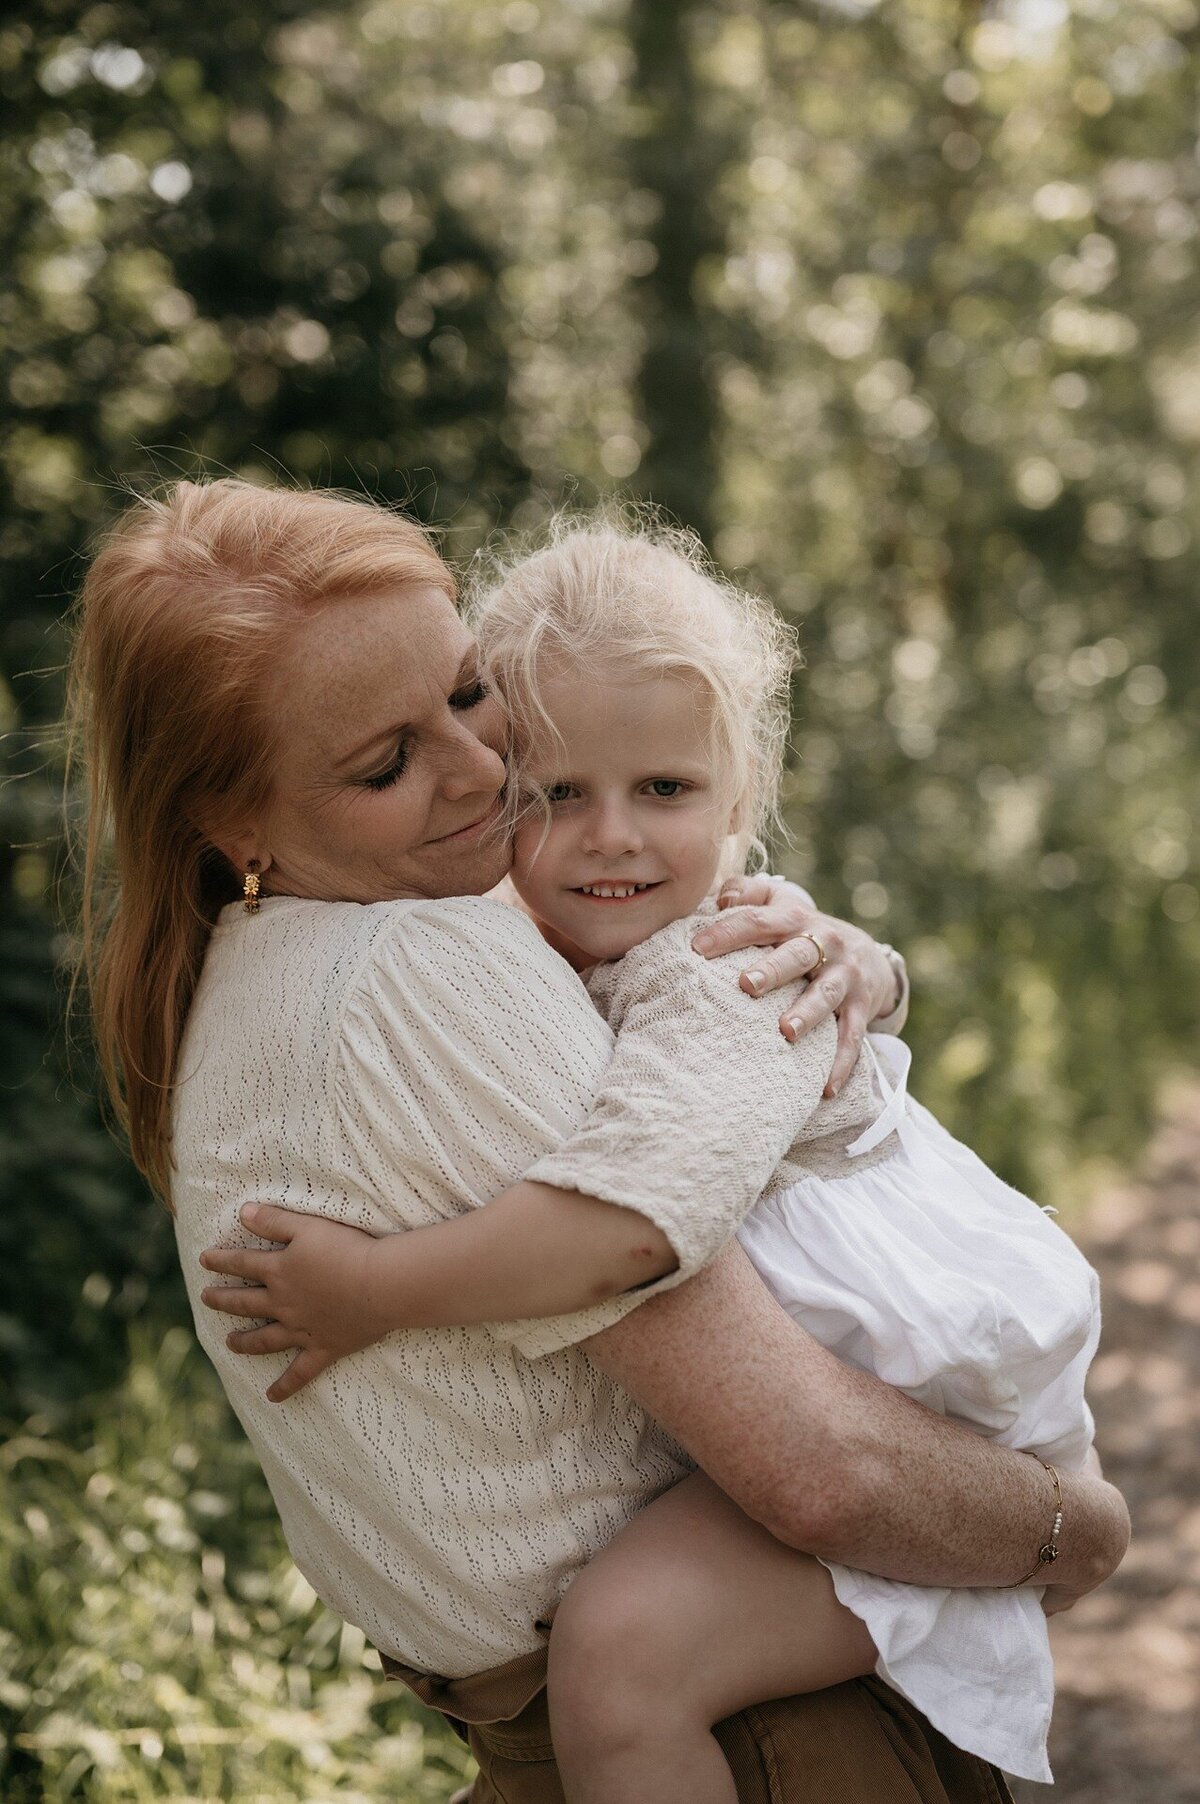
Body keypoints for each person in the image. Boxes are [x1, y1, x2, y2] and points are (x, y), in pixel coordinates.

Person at [69, 478, 1129, 1804]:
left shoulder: (630, 961)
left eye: (465, 696)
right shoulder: (436, 964)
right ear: (232, 823)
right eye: (386, 763)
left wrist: (372, 1289)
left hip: (810, 1611)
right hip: (737, 1707)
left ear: (738, 797)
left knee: (632, 1658)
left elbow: (634, 1237)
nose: (480, 776)